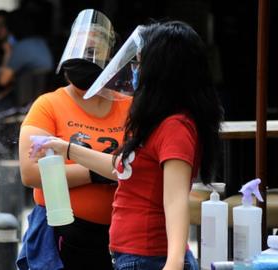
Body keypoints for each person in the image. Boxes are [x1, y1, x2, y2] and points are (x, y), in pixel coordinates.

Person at [37, 21, 223, 270]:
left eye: (138, 63)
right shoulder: (157, 121)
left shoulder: (176, 126)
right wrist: (66, 149)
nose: (135, 70)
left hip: (151, 259)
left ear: (160, 70)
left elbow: (175, 200)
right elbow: (122, 167)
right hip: (135, 258)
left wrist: (174, 262)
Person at [17, 10, 131, 270]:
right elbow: (31, 173)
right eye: (81, 47)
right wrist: (96, 172)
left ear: (108, 57)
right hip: (62, 235)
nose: (85, 57)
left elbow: (140, 165)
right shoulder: (49, 105)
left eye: (94, 49)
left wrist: (106, 169)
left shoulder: (130, 107)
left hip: (122, 237)